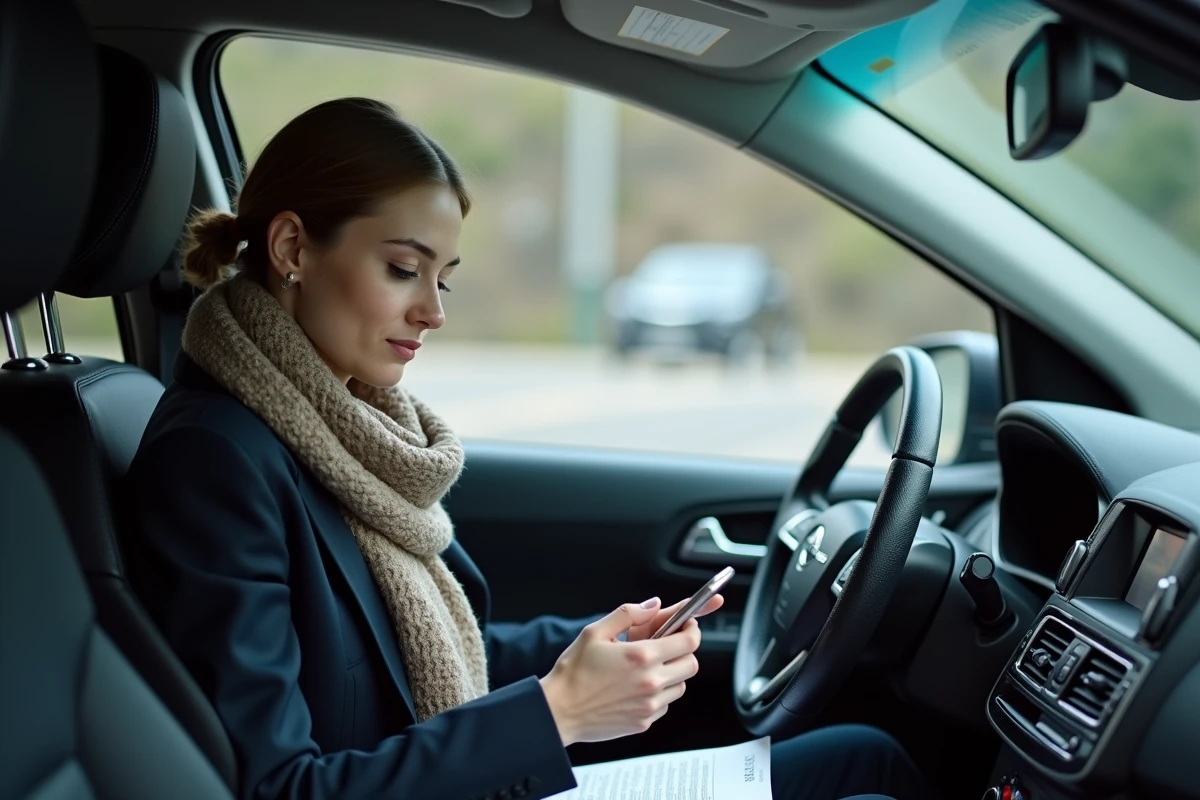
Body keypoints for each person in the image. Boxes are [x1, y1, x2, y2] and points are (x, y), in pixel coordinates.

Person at [124, 97, 928, 800]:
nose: (433, 311)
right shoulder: (216, 462)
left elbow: (424, 653)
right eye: (404, 268)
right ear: (293, 249)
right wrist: (559, 713)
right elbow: (278, 788)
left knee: (868, 758)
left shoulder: (341, 430)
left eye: (446, 278)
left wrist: (597, 649)